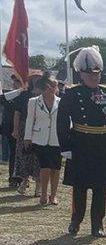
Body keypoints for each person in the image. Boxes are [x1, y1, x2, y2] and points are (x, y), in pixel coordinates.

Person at [56, 46, 106, 237]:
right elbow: (62, 121)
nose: (95, 77)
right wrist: (65, 146)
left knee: (100, 187)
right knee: (80, 186)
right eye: (91, 74)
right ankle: (75, 221)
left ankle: (97, 224)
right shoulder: (72, 94)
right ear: (81, 74)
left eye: (98, 73)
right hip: (80, 143)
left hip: (102, 144)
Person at [24, 75, 62, 204]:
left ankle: (54, 195)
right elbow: (30, 120)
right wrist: (27, 137)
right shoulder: (34, 101)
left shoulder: (61, 102)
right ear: (43, 86)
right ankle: (43, 194)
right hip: (40, 138)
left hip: (57, 139)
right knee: (45, 167)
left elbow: (67, 121)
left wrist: (69, 136)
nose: (51, 88)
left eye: (54, 86)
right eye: (49, 85)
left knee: (56, 168)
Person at [12, 73, 42, 195]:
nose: (36, 81)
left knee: (39, 157)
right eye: (34, 79)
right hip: (24, 128)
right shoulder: (23, 95)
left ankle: (39, 186)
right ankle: (24, 182)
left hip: (41, 128)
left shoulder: (46, 96)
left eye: (39, 79)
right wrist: (15, 129)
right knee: (24, 156)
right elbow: (17, 114)